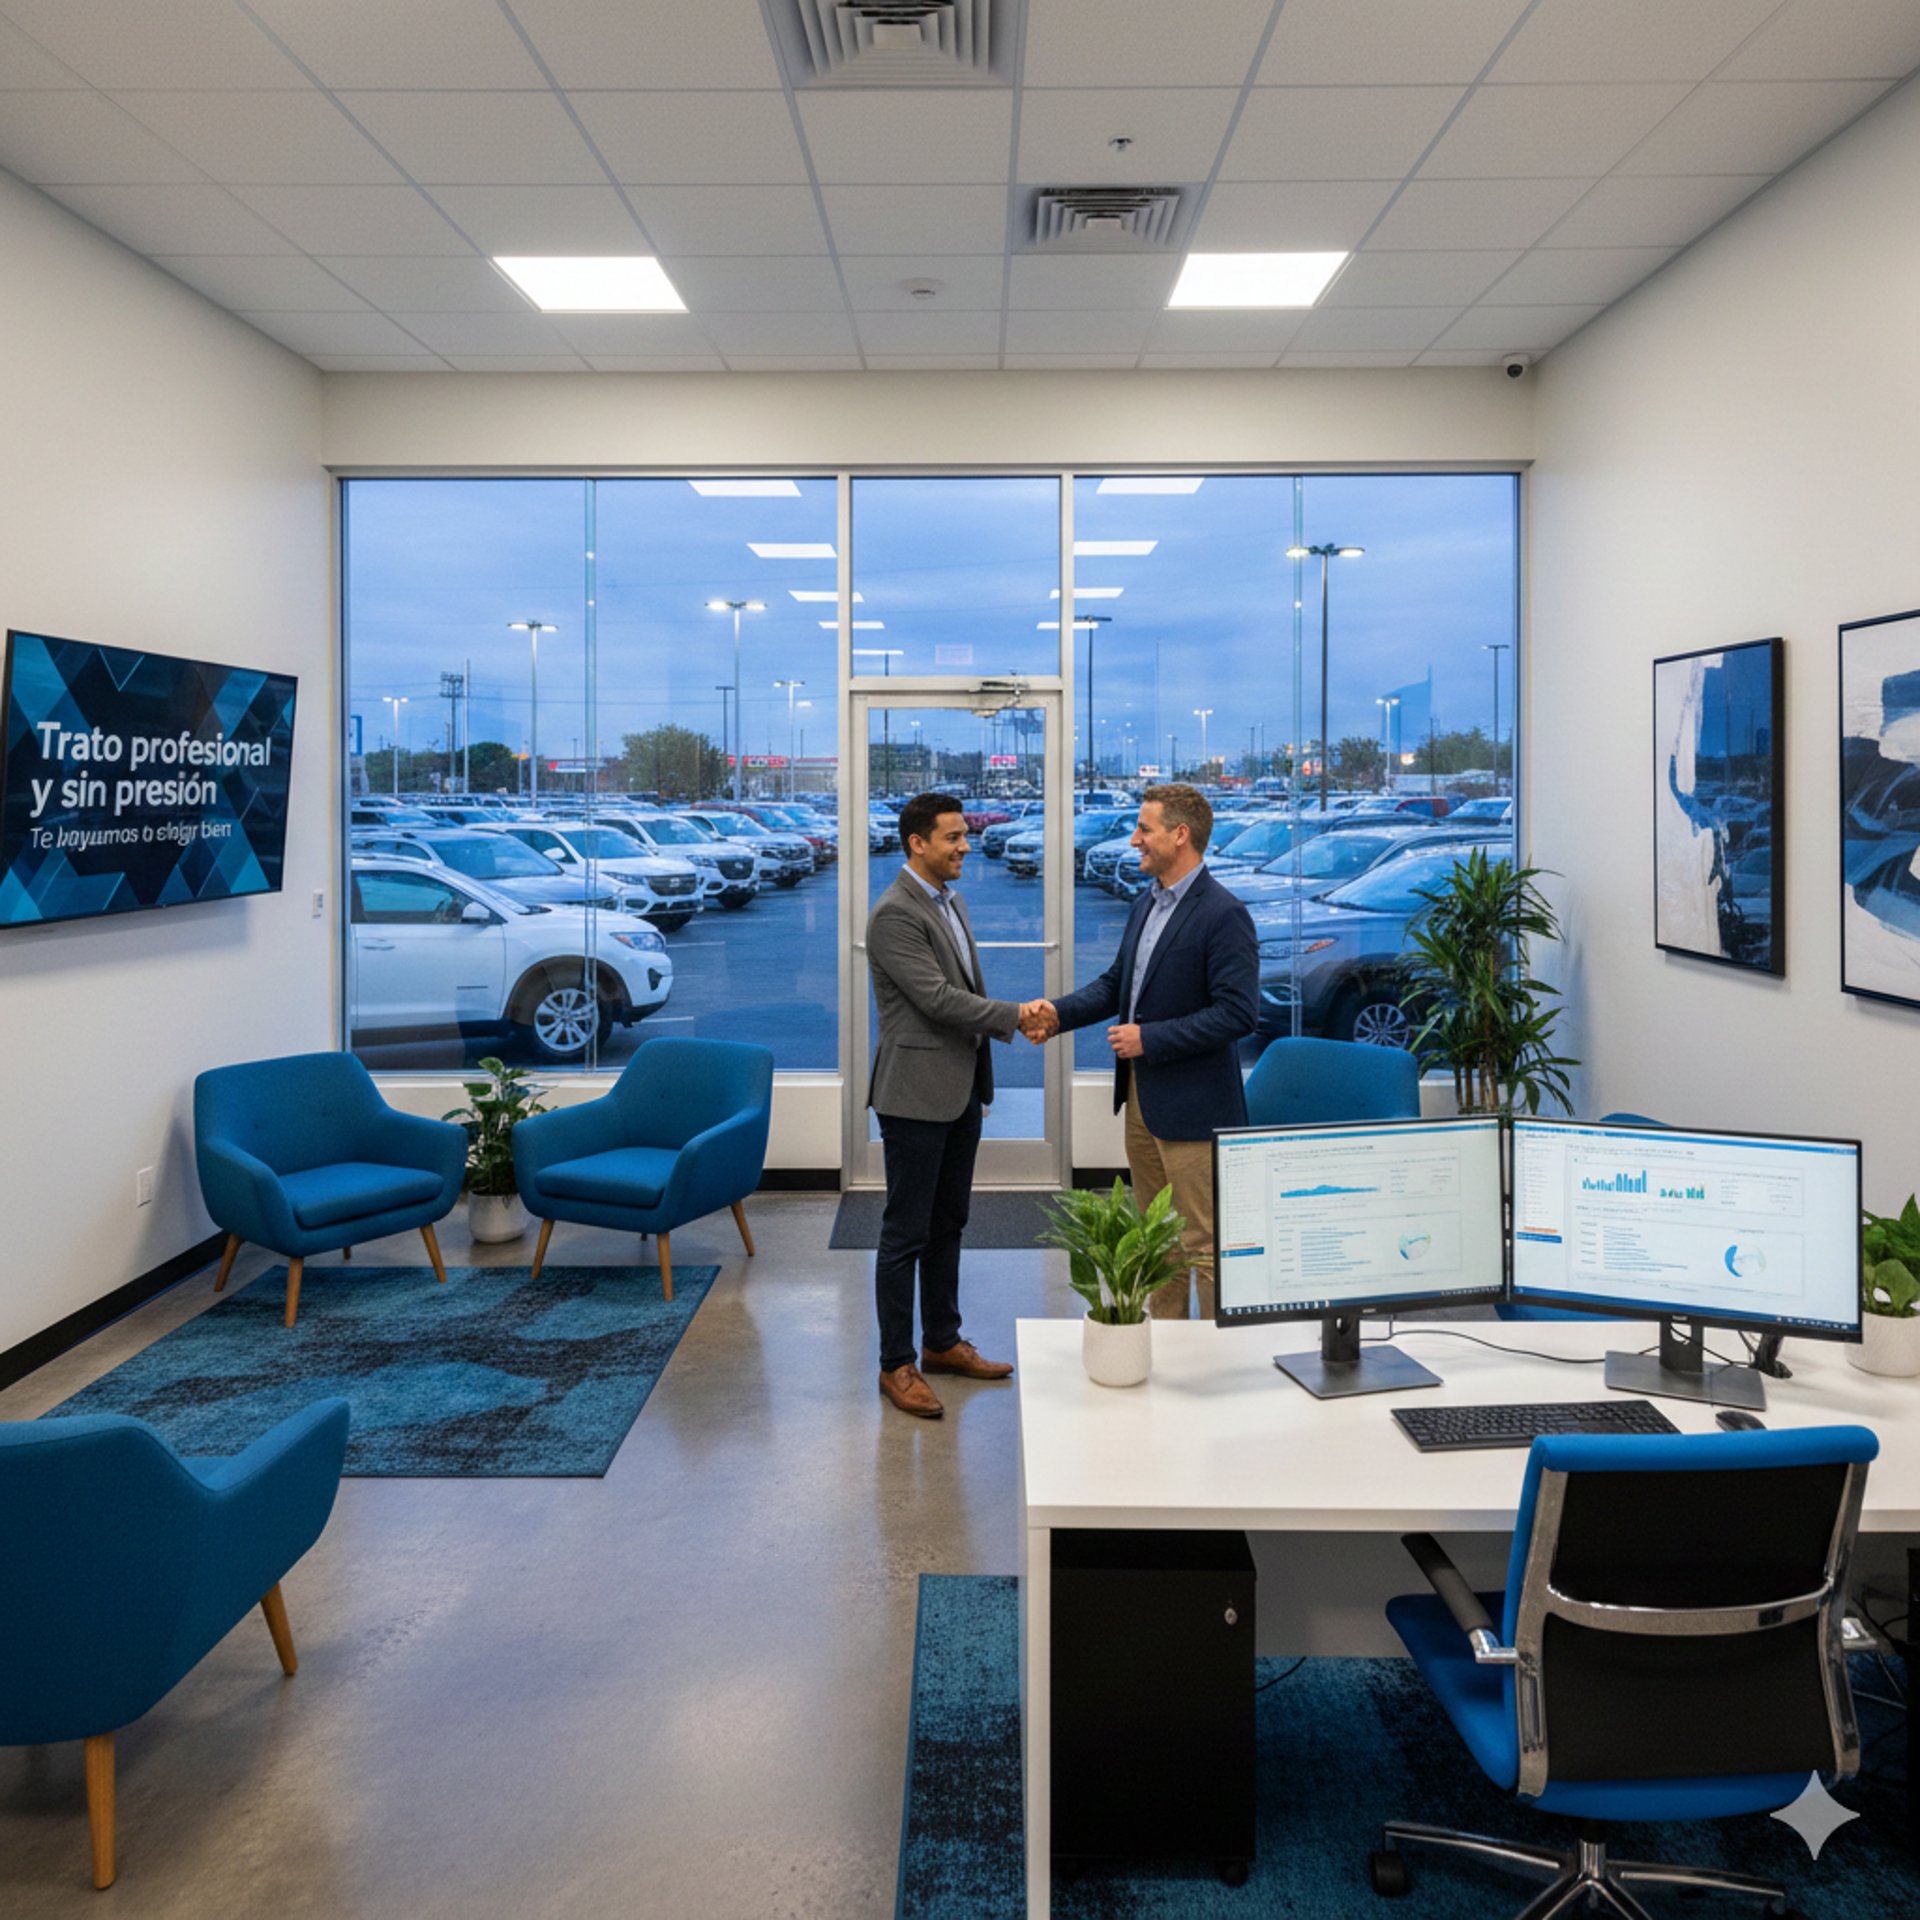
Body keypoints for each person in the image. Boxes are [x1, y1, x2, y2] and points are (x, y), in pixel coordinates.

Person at [1026, 784, 1257, 1318]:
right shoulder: (1146, 903)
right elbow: (1117, 986)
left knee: (1205, 1244)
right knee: (1161, 1241)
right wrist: (1058, 1015)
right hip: (1142, 1101)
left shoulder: (1224, 914)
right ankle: (1171, 1349)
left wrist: (1148, 1039)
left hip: (1195, 1110)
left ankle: (1217, 1364)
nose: (1134, 840)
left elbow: (1237, 1013)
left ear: (1181, 835)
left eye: (1144, 829)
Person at [867, 791, 1051, 1418]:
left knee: (949, 1224)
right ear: (917, 843)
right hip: (915, 1095)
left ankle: (942, 1342)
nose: (965, 846)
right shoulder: (894, 913)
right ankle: (897, 1364)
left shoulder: (950, 901)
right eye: (953, 837)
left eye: (965, 834)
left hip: (961, 1090)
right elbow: (939, 999)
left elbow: (960, 990)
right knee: (904, 1234)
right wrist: (1017, 1015)